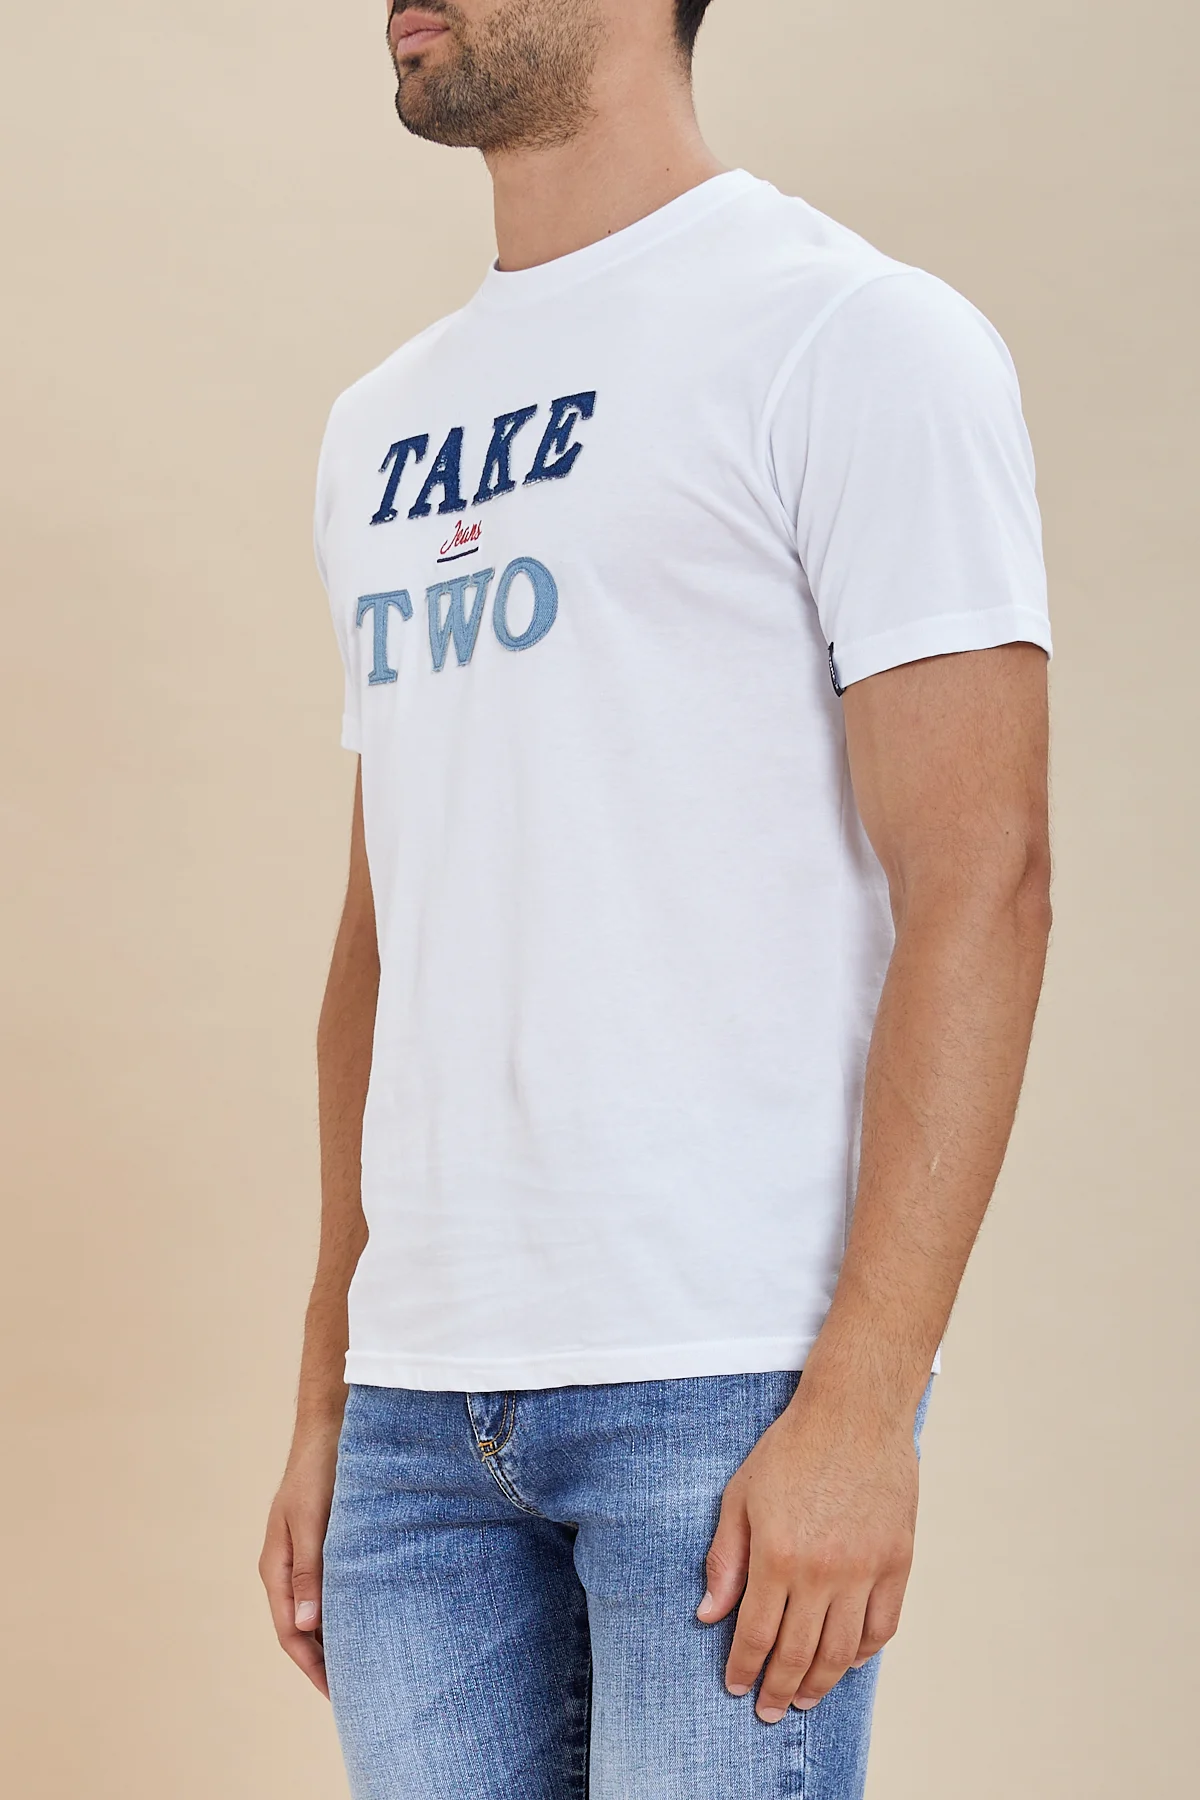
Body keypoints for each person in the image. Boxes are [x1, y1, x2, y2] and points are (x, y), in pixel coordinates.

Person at [259, 2, 1052, 1795]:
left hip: (722, 1379)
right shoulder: (377, 429)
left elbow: (984, 881)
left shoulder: (852, 337)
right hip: (416, 1420)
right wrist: (331, 1384)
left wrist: (866, 1399)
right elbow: (388, 930)